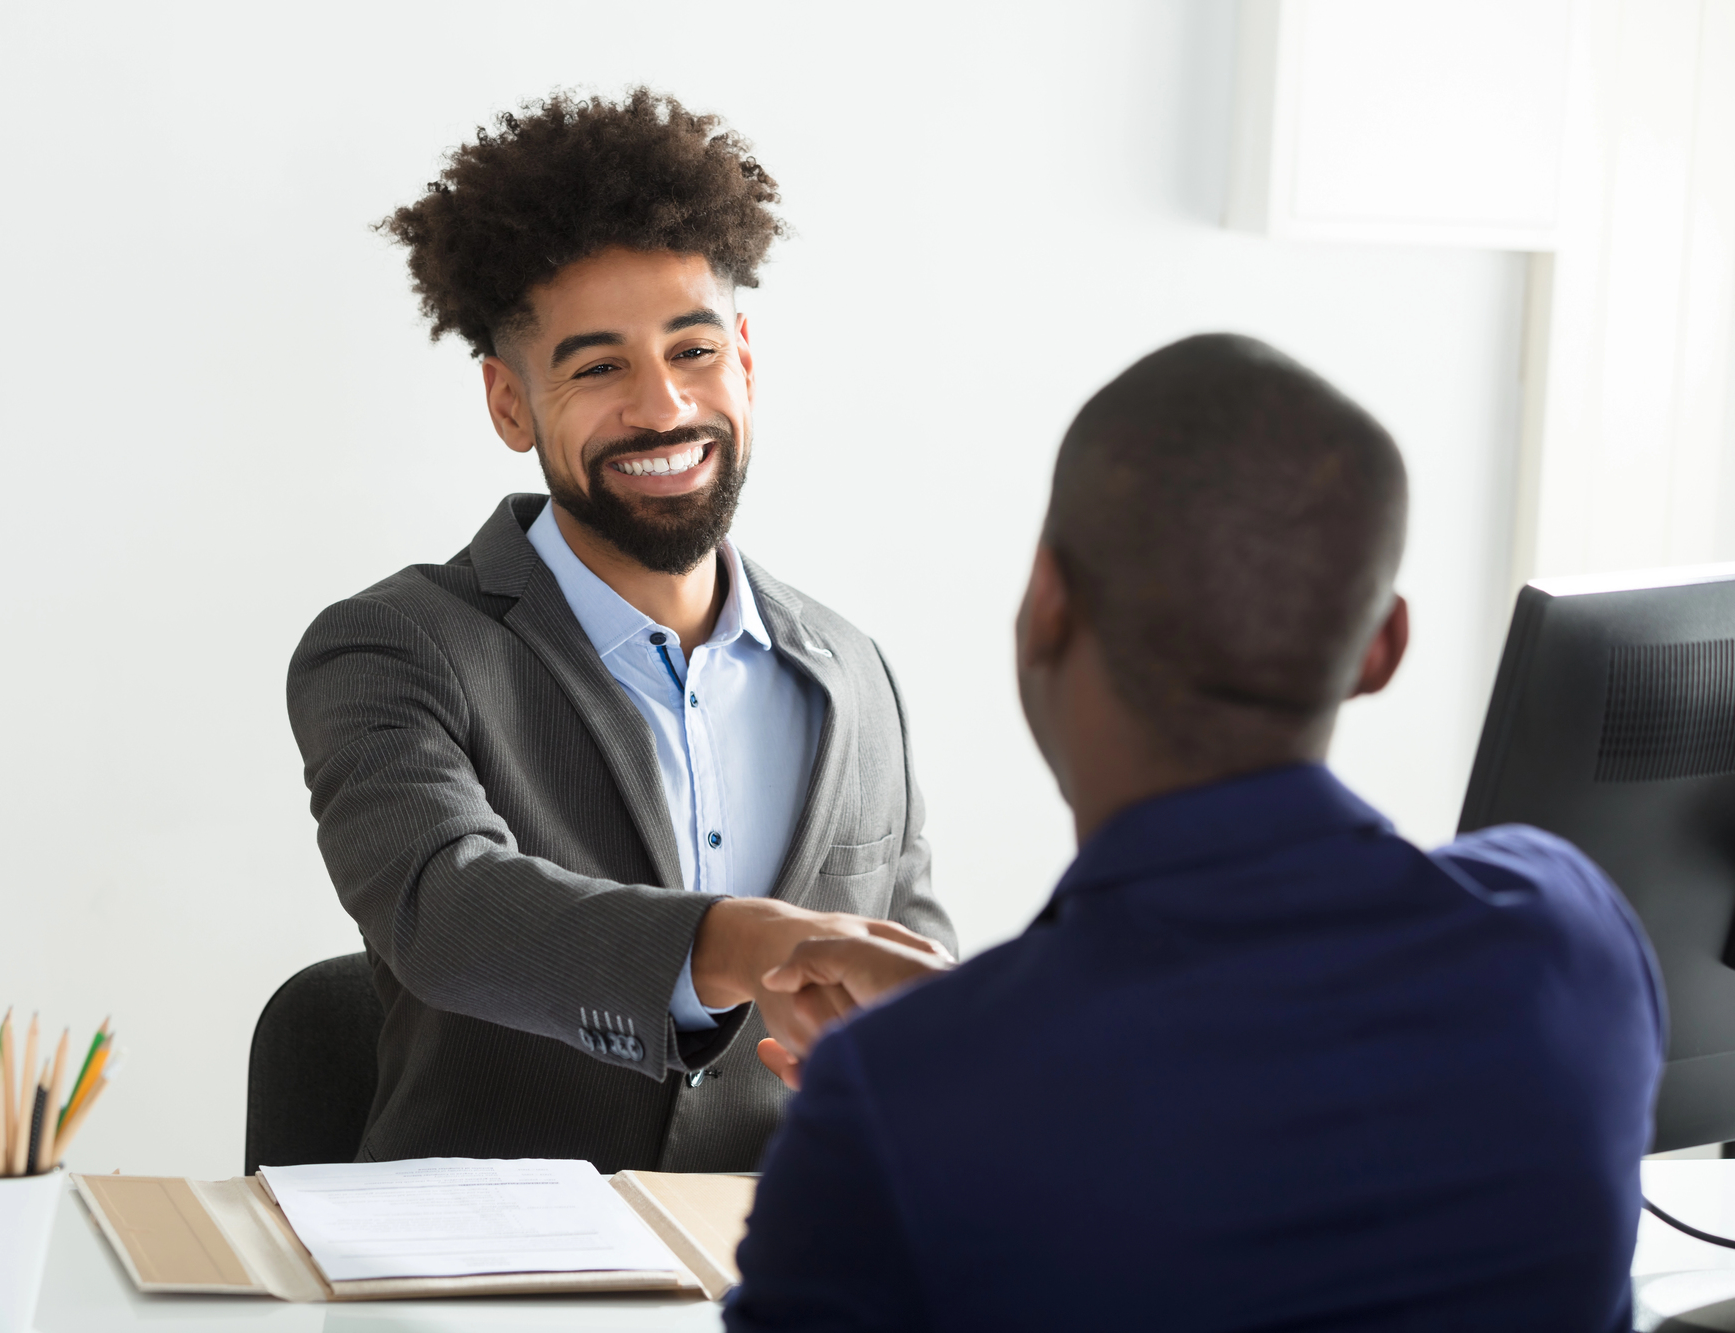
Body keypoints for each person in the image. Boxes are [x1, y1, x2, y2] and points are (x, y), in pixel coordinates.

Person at [728, 334, 1663, 1330]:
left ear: (1046, 605)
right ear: (1379, 648)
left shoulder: (899, 1106)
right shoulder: (1571, 937)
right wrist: (961, 1035)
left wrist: (942, 1055)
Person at [285, 89, 954, 1174]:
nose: (660, 406)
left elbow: (914, 997)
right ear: (509, 404)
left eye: (691, 351)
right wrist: (752, 940)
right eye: (598, 368)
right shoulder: (390, 647)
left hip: (783, 1263)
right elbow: (444, 909)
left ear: (743, 354)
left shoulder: (852, 670)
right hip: (493, 1278)